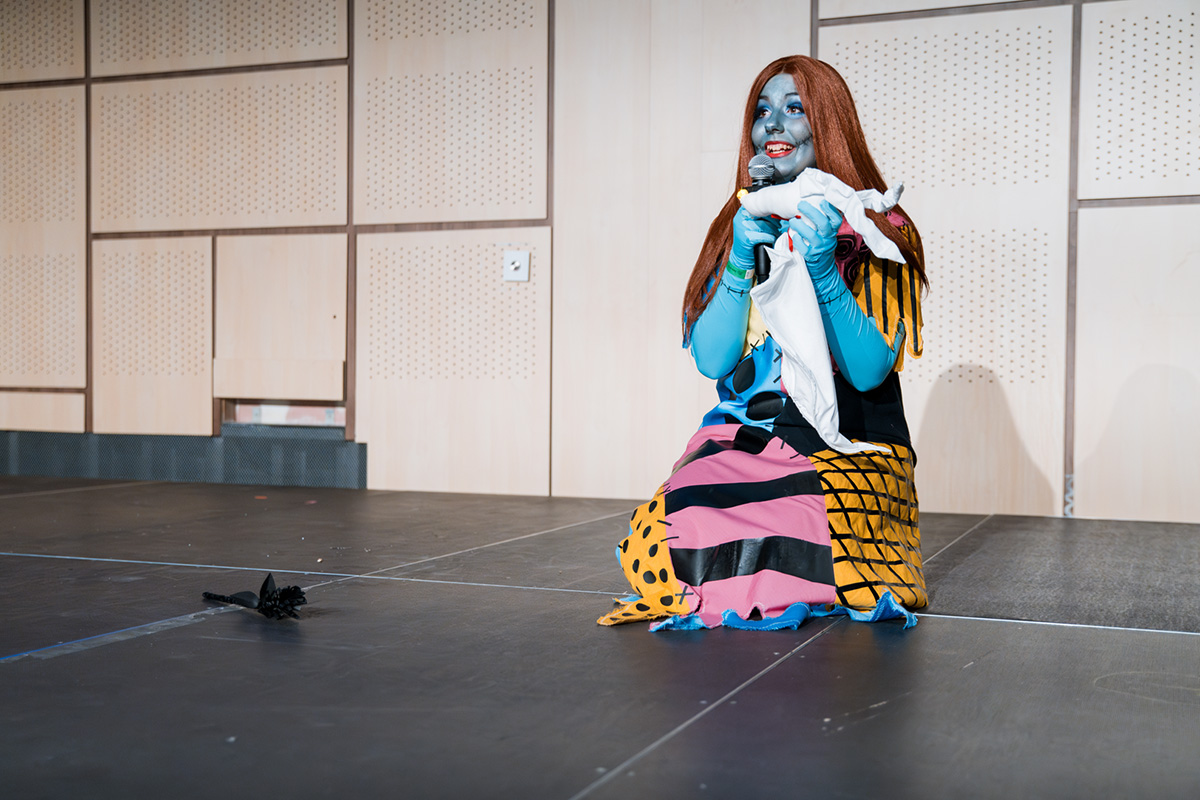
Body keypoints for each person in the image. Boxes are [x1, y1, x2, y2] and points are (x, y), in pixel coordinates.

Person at [598, 55, 929, 630]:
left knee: (784, 536)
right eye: (762, 111)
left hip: (847, 444)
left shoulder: (878, 226)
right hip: (746, 437)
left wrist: (823, 272)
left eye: (795, 109)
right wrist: (736, 261)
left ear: (828, 124)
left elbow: (869, 370)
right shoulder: (740, 220)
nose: (773, 124)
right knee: (666, 530)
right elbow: (713, 359)